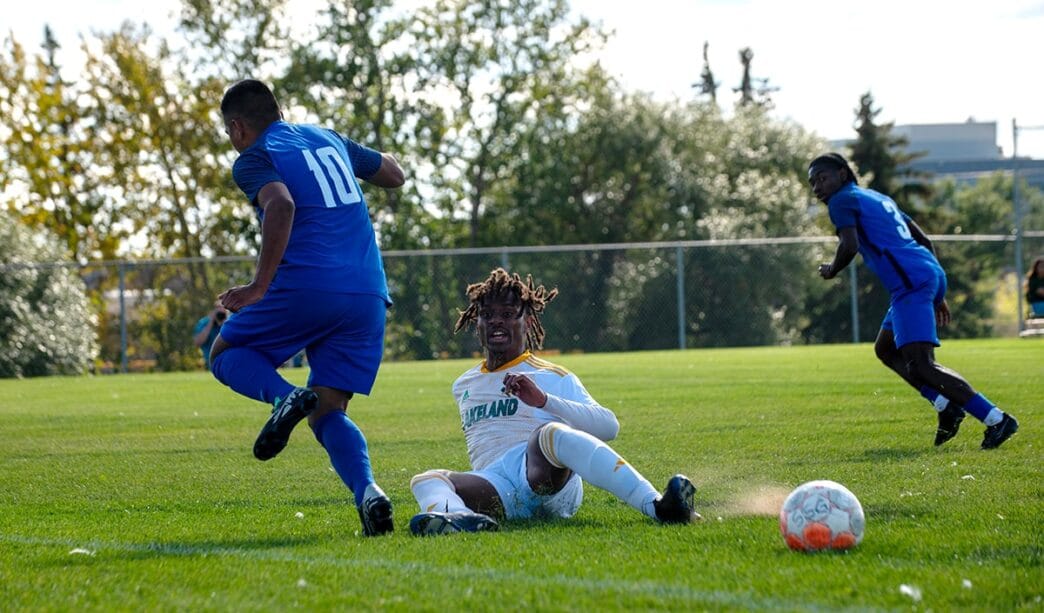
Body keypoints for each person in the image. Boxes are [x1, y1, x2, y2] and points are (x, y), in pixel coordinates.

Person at [209, 79, 405, 536]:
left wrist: (258, 286)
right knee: (329, 411)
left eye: (227, 131)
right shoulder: (328, 137)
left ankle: (283, 396)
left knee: (223, 354)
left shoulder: (253, 157)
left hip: (308, 286)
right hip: (367, 293)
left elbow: (280, 204)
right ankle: (369, 492)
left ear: (238, 127)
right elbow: (393, 174)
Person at [407, 268, 700, 536]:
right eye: (487, 314)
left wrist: (544, 401)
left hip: (546, 480)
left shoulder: (553, 375)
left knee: (548, 433)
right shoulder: (463, 384)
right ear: (477, 323)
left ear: (528, 321)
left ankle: (658, 506)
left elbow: (609, 427)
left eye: (508, 314)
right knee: (426, 479)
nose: (496, 320)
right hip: (499, 488)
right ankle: (460, 520)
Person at [808, 153, 1019, 450]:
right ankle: (945, 405)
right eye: (812, 182)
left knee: (921, 365)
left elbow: (850, 244)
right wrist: (936, 291)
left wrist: (831, 270)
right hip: (923, 275)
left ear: (843, 174)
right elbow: (924, 241)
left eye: (822, 177)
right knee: (885, 349)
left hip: (911, 283)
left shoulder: (842, 200)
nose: (817, 187)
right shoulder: (876, 197)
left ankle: (996, 419)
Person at [192, 300, 227, 369]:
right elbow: (197, 342)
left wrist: (225, 324)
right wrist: (210, 322)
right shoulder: (204, 323)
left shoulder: (230, 322)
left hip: (227, 360)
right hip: (211, 363)